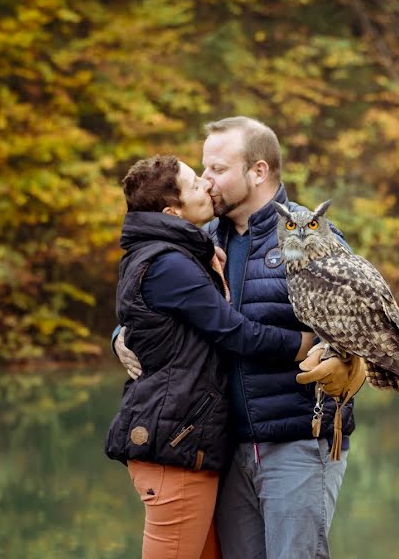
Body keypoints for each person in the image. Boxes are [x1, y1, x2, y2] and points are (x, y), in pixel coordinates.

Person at [114, 117, 361, 559]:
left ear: (258, 172)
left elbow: (358, 327)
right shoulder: (202, 237)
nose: (206, 181)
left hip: (295, 441)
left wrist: (352, 362)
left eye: (217, 170)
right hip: (223, 448)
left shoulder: (309, 236)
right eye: (203, 170)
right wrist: (121, 337)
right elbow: (154, 302)